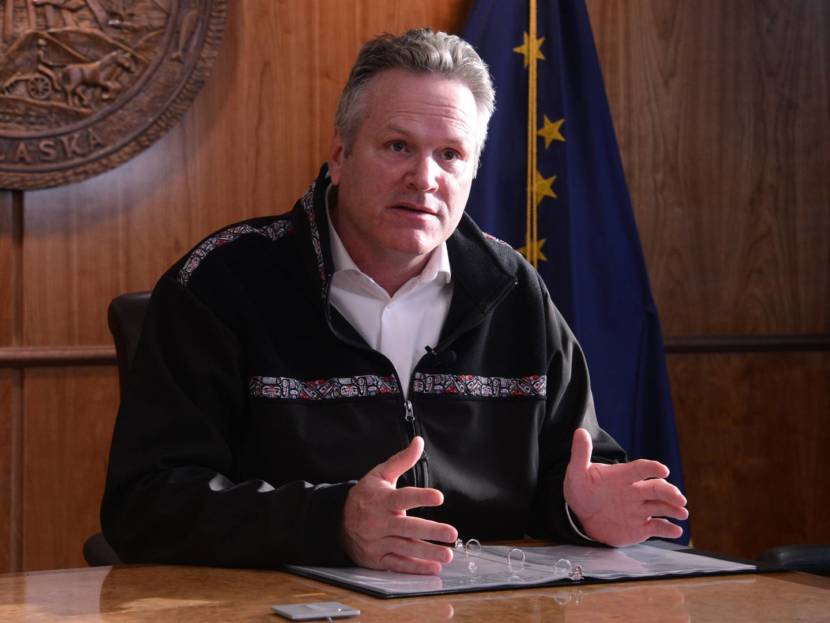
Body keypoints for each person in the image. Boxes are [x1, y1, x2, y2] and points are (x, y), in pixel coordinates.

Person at [101, 29, 688, 574]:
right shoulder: (222, 283)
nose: (425, 178)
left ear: (473, 170)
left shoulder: (513, 289)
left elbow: (579, 467)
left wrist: (581, 511)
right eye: (398, 146)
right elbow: (145, 502)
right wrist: (332, 524)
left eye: (451, 155)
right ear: (339, 153)